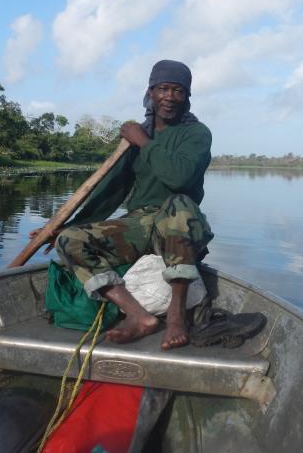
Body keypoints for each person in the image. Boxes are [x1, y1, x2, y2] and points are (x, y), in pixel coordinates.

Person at [32, 59, 213, 350]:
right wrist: (63, 227)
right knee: (71, 241)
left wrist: (144, 142)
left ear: (187, 97)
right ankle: (138, 316)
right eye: (163, 89)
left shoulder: (196, 134)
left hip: (179, 222)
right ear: (150, 93)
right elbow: (111, 190)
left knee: (178, 204)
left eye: (178, 91)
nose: (169, 96)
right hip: (139, 223)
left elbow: (179, 177)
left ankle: (177, 314)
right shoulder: (138, 135)